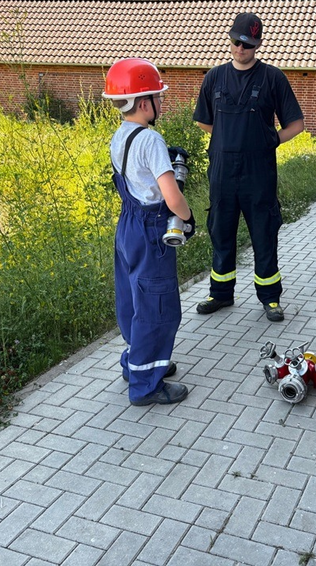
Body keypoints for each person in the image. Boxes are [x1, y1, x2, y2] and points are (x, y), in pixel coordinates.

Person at [193, 12, 305, 322]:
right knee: (221, 233)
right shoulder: (214, 77)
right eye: (236, 42)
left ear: (257, 45)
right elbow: (203, 121)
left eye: (247, 44)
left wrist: (268, 141)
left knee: (264, 235)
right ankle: (220, 293)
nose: (241, 48)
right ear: (230, 40)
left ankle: (270, 298)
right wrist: (229, 139)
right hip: (222, 173)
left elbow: (296, 124)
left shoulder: (272, 78)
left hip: (258, 174)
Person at [104, 57, 195, 406]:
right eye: (158, 96)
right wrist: (187, 219)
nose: (161, 101)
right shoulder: (151, 140)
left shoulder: (120, 136)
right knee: (157, 307)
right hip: (151, 228)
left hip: (128, 225)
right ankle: (146, 386)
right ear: (144, 102)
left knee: (134, 300)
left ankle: (137, 363)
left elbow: (137, 180)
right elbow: (172, 197)